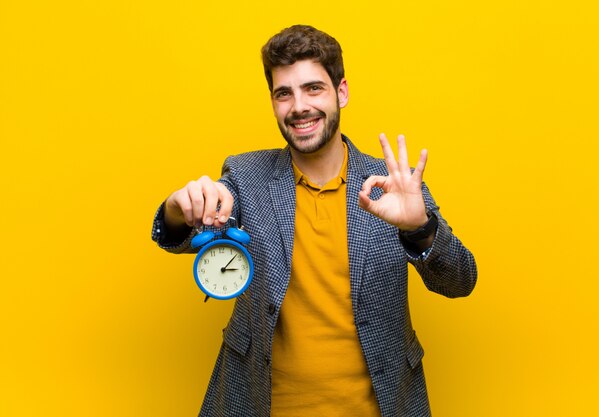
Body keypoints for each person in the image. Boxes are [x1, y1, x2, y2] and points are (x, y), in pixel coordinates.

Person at [152, 24, 477, 417]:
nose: (298, 106)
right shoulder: (245, 175)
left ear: (341, 92)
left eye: (313, 88)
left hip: (380, 405)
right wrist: (177, 207)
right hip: (260, 404)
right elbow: (194, 230)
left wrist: (419, 228)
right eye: (283, 93)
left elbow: (460, 281)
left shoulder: (393, 185)